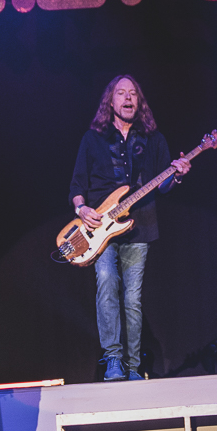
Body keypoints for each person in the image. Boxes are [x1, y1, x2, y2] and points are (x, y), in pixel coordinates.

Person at [68, 75, 190, 381]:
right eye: (121, 93)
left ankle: (134, 367)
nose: (127, 98)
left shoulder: (153, 140)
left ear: (140, 101)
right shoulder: (92, 139)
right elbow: (77, 185)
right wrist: (82, 209)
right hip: (100, 229)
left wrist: (176, 175)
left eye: (133, 93)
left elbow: (162, 186)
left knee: (133, 298)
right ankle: (112, 360)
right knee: (107, 281)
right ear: (110, 101)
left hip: (140, 227)